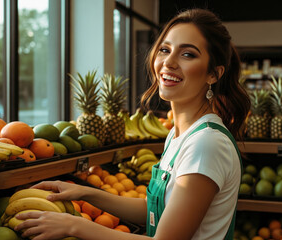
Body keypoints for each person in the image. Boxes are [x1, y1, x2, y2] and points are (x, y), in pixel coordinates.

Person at [15, 8, 250, 240]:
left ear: (214, 74)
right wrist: (86, 193)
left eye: (187, 54)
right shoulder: (179, 136)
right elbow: (154, 211)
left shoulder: (206, 143)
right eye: (164, 50)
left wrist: (74, 226)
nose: (169, 61)